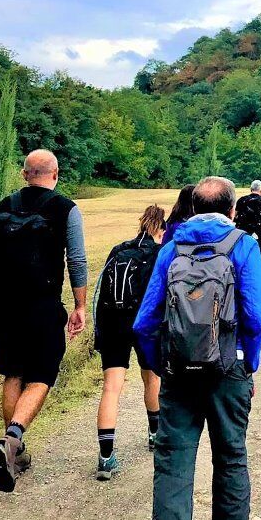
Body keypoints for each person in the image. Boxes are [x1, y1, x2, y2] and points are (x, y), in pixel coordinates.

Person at [133, 176, 261, 520]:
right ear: (232, 209)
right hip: (228, 370)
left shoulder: (172, 248)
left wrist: (161, 362)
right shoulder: (243, 246)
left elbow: (143, 323)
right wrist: (249, 363)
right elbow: (253, 315)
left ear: (191, 206)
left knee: (172, 468)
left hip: (177, 373)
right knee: (230, 455)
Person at [0, 149, 87, 493]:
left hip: (3, 307)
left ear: (24, 174)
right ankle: (13, 438)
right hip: (42, 305)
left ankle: (14, 455)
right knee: (42, 375)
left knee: (13, 372)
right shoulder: (66, 209)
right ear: (56, 173)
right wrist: (80, 305)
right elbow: (77, 259)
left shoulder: (4, 205)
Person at [92, 204, 165, 480]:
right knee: (152, 379)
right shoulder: (160, 254)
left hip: (113, 322)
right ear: (162, 229)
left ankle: (105, 457)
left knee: (111, 388)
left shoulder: (118, 250)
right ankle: (154, 434)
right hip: (145, 324)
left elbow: (102, 293)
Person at [234, 180, 261, 251]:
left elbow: (235, 215)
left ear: (251, 189)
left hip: (241, 234)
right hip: (258, 234)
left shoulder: (241, 200)